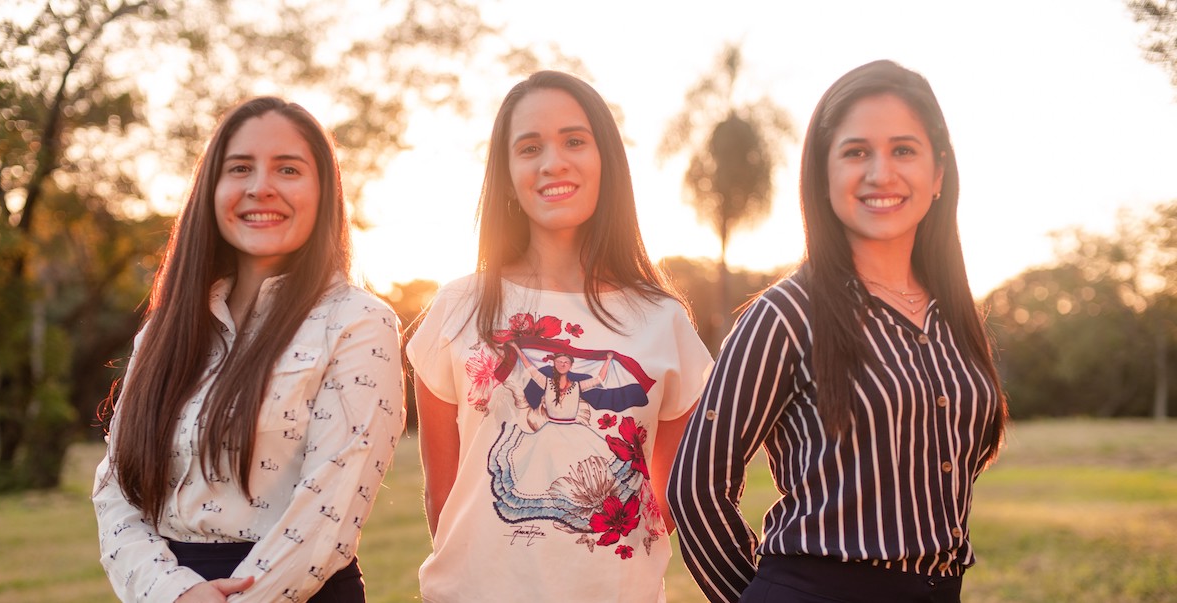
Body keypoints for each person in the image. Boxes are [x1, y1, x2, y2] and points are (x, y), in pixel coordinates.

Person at [668, 60, 1009, 603]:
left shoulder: (955, 316)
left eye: (903, 150)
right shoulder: (785, 314)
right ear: (823, 175)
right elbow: (695, 489)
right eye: (856, 152)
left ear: (939, 172)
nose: (881, 173)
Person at [406, 70, 713, 602]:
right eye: (529, 147)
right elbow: (443, 495)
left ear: (606, 160)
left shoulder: (662, 320)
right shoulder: (459, 307)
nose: (553, 162)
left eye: (574, 140)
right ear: (506, 171)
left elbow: (663, 502)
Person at [92, 96, 405, 603]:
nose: (261, 187)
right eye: (240, 168)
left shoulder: (358, 323)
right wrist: (172, 593)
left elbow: (331, 509)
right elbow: (115, 490)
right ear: (212, 190)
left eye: (288, 168)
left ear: (324, 192)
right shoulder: (164, 331)